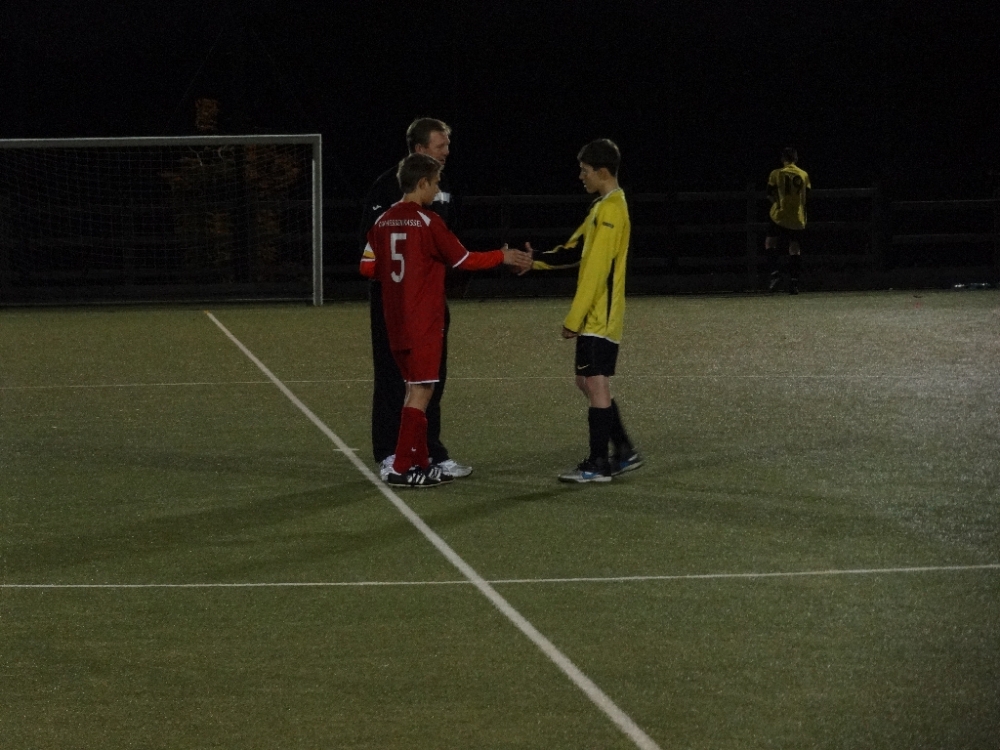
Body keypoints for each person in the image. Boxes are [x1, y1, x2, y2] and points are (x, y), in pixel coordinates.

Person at [360, 154, 530, 487]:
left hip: (394, 323)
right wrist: (503, 255)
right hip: (423, 322)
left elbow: (367, 267)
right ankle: (402, 467)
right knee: (423, 392)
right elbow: (463, 259)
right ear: (422, 183)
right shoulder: (428, 221)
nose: (437, 191)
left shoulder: (382, 222)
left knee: (413, 390)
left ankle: (423, 462)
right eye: (435, 184)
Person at [521, 139, 643, 483]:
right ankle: (623, 450)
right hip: (597, 315)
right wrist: (534, 260)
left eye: (584, 170)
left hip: (599, 317)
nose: (581, 176)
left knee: (594, 381)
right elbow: (575, 250)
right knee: (586, 381)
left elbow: (596, 270)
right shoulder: (601, 206)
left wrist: (574, 319)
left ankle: (597, 464)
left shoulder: (611, 210)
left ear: (601, 172)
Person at [359, 118, 469, 481]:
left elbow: (451, 239)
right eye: (441, 145)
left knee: (430, 377)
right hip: (392, 302)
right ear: (420, 149)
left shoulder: (443, 184)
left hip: (430, 302)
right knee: (392, 377)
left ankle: (429, 452)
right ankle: (390, 452)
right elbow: (370, 250)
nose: (447, 151)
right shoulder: (385, 187)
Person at [765, 147, 811, 295]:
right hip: (797, 217)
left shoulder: (776, 173)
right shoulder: (803, 174)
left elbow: (769, 194)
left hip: (780, 215)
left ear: (782, 159)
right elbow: (807, 195)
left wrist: (777, 203)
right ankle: (794, 283)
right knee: (794, 248)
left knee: (770, 243)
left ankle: (775, 273)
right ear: (796, 159)